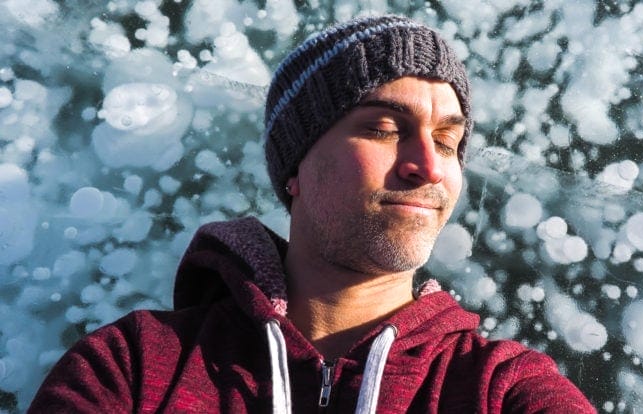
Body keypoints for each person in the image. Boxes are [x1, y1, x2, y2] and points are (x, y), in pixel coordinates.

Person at [30, 15, 596, 413]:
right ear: (295, 167)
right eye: (382, 129)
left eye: (448, 142)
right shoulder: (134, 369)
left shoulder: (500, 388)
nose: (429, 166)